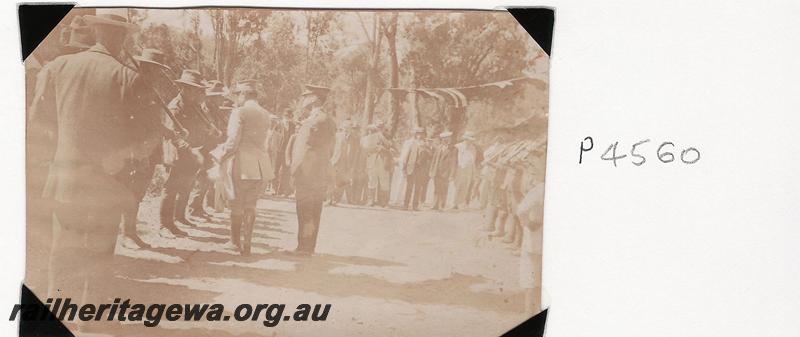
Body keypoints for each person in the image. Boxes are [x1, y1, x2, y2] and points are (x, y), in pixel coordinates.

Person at [29, 11, 141, 307]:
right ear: (120, 36)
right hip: (106, 181)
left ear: (96, 33)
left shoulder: (56, 67)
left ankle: (58, 312)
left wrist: (52, 162)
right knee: (100, 250)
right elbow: (140, 138)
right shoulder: (126, 75)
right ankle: (92, 316)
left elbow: (37, 125)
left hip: (64, 178)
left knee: (63, 246)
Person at [216, 80, 274, 255]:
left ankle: (234, 242)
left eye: (237, 95)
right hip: (261, 164)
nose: (235, 100)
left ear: (243, 94)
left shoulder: (239, 112)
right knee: (251, 204)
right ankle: (247, 243)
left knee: (236, 203)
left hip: (242, 162)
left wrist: (221, 155)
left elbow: (233, 141)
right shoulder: (266, 114)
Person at [160, 69, 216, 237]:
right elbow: (172, 134)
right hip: (178, 153)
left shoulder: (194, 106)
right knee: (170, 189)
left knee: (185, 187)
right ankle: (164, 225)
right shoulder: (175, 106)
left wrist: (208, 132)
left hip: (192, 153)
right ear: (184, 88)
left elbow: (199, 127)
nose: (197, 93)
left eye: (198, 89)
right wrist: (189, 149)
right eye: (194, 89)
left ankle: (178, 219)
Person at [289, 85, 337, 256]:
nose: (303, 99)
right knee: (314, 209)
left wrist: (294, 170)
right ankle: (308, 246)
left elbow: (304, 149)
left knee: (305, 209)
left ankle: (304, 247)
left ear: (315, 99)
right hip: (319, 171)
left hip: (307, 172)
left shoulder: (315, 120)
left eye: (307, 96)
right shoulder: (328, 120)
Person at [189, 80, 228, 219]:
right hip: (204, 148)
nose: (220, 99)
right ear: (211, 97)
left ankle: (200, 207)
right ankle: (194, 208)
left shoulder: (214, 110)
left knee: (208, 179)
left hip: (212, 148)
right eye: (218, 96)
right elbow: (205, 128)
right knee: (202, 178)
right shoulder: (204, 109)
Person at [515, 154, 545, 314]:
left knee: (530, 277)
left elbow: (521, 210)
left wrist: (527, 224)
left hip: (534, 238)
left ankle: (529, 314)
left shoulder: (538, 190)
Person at [400, 127, 431, 210]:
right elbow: (407, 155)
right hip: (411, 167)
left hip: (421, 169)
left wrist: (426, 149)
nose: (420, 136)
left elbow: (430, 157)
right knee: (409, 187)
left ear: (424, 135)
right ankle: (406, 205)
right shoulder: (412, 144)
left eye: (422, 134)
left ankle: (415, 205)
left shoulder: (426, 145)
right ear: (416, 135)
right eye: (418, 134)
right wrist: (404, 167)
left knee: (418, 188)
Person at [362, 122, 392, 207]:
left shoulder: (387, 136)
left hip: (383, 161)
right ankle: (370, 200)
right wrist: (375, 149)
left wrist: (383, 147)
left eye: (381, 127)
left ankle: (384, 202)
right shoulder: (369, 137)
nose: (379, 129)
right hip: (372, 161)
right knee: (372, 181)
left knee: (384, 181)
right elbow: (365, 149)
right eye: (378, 127)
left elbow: (390, 146)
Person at [429, 131, 458, 210]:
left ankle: (442, 205)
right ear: (442, 139)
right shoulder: (438, 147)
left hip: (446, 173)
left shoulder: (453, 149)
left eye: (448, 138)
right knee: (436, 189)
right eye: (445, 139)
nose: (447, 140)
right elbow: (434, 160)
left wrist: (452, 175)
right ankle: (434, 205)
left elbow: (453, 163)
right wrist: (431, 170)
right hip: (437, 171)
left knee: (444, 189)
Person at [453, 131, 479, 209]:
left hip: (469, 169)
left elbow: (473, 160)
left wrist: (474, 171)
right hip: (460, 168)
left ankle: (461, 203)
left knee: (466, 186)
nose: (470, 141)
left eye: (471, 140)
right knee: (458, 185)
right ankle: (454, 203)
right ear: (465, 139)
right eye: (469, 140)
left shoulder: (473, 148)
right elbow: (454, 160)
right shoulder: (458, 147)